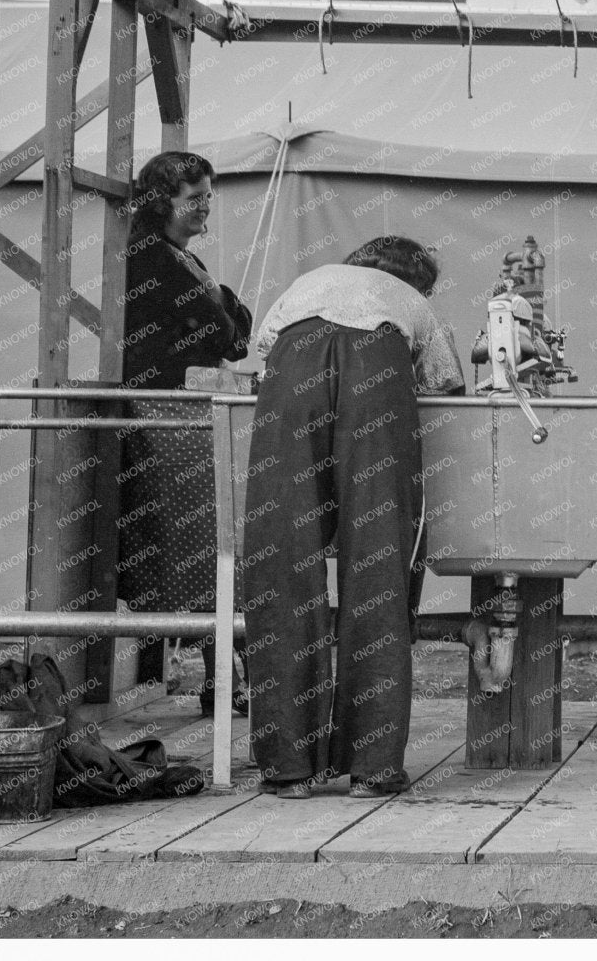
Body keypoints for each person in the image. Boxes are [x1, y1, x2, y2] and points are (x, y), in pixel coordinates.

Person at [241, 235, 465, 799]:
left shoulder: (304, 285)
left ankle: (287, 767)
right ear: (417, 281)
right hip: (376, 381)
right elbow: (449, 389)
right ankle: (374, 766)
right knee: (378, 567)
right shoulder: (411, 301)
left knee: (283, 563)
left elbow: (257, 357)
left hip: (290, 384)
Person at [119, 151, 253, 715]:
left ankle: (221, 667)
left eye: (206, 198)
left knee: (195, 545)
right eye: (193, 199)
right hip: (165, 416)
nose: (204, 209)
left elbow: (228, 331)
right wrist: (224, 307)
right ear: (162, 203)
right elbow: (228, 334)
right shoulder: (156, 259)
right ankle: (221, 669)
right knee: (195, 545)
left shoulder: (174, 257)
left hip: (175, 414)